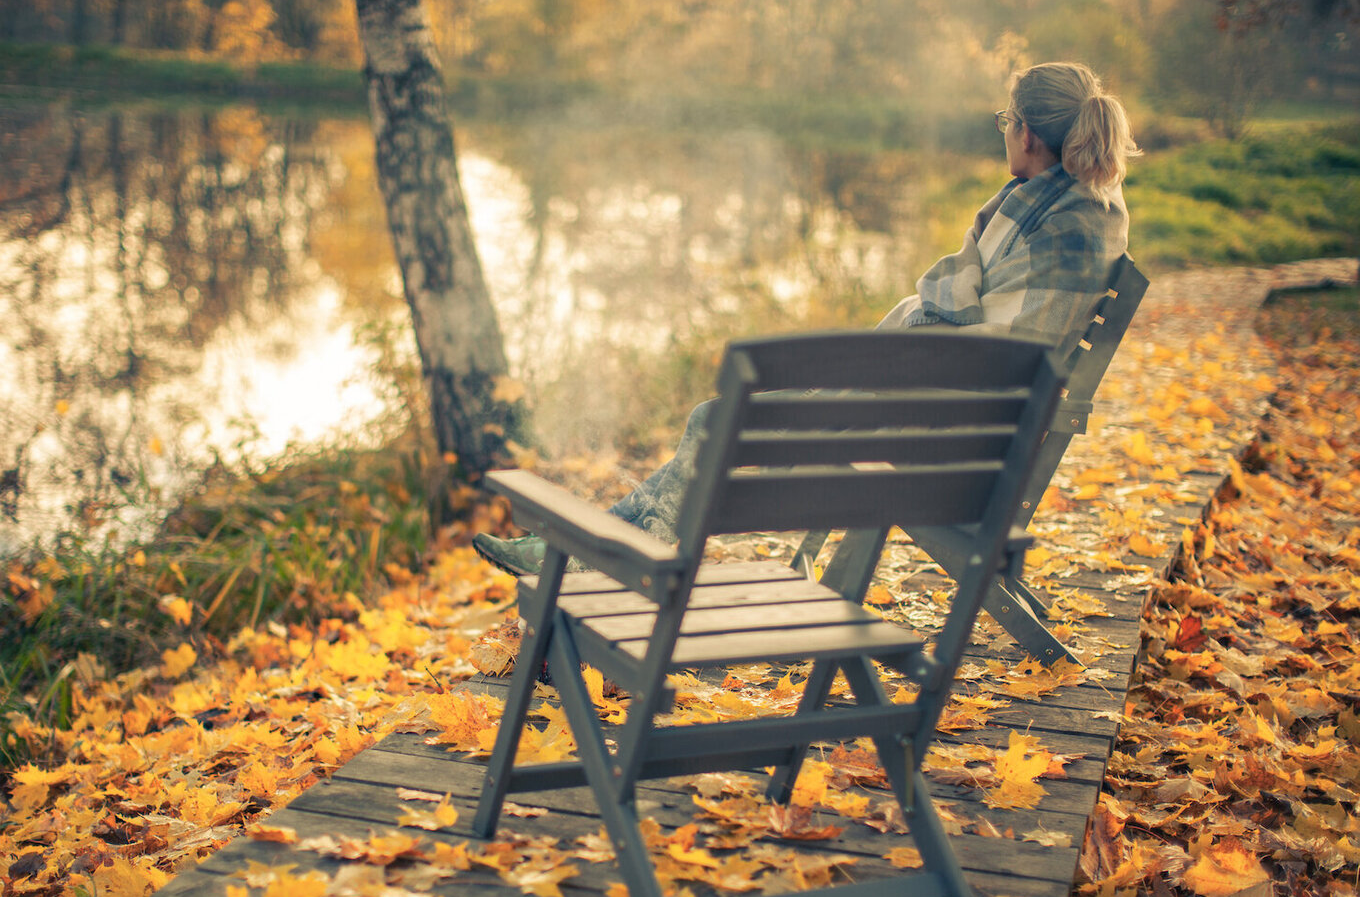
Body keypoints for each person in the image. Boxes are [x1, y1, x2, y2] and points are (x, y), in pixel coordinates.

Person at [474, 61, 1138, 577]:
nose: (1003, 134)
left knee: (714, 420)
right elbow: (1003, 330)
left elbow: (992, 336)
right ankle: (575, 550)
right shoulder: (1082, 212)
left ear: (1027, 132)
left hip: (936, 429)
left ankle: (583, 555)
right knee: (719, 418)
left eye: (1005, 121)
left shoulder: (1048, 220)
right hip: (958, 428)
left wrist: (895, 355)